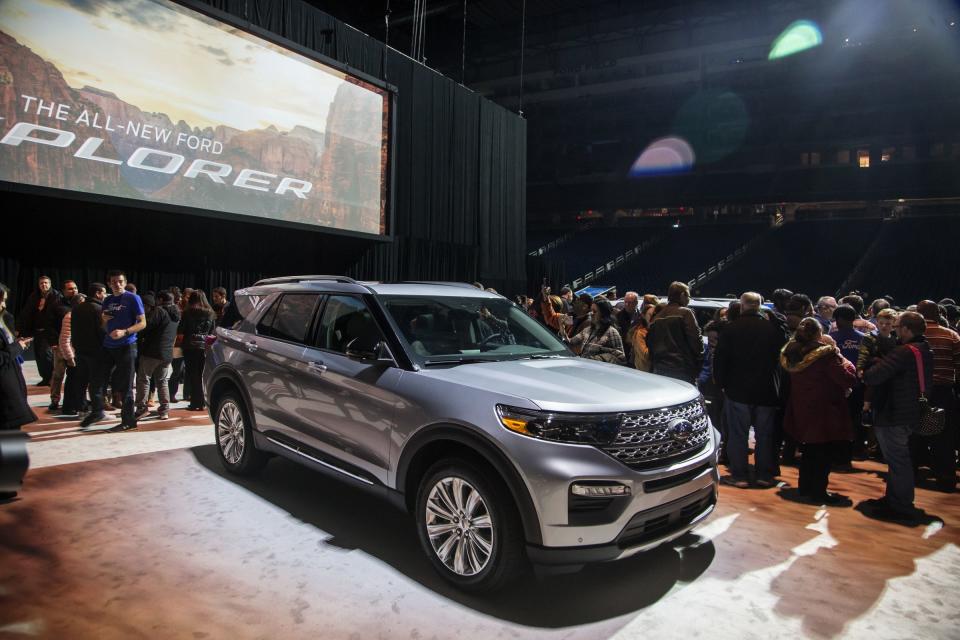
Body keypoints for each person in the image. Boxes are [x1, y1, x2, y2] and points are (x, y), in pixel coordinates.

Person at [861, 311, 933, 522]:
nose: (895, 329)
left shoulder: (904, 352)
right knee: (898, 459)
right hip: (910, 412)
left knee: (898, 460)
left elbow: (873, 376)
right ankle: (893, 499)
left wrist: (873, 362)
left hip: (894, 413)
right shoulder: (925, 349)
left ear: (907, 329)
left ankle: (900, 504)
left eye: (898, 326)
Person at [780, 318, 858, 505]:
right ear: (818, 334)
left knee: (809, 450)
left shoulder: (791, 352)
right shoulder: (826, 355)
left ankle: (805, 487)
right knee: (823, 453)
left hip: (802, 406)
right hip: (825, 409)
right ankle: (818, 491)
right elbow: (846, 379)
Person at [713, 292, 788, 488]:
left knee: (738, 435)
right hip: (766, 390)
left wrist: (720, 384)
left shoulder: (731, 329)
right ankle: (764, 475)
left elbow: (720, 359)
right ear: (760, 306)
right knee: (765, 435)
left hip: (738, 389)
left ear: (742, 305)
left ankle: (739, 476)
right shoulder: (772, 330)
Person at [80, 271, 146, 431]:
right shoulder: (108, 300)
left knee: (125, 385)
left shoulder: (132, 298)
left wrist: (125, 331)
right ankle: (97, 411)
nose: (117, 284)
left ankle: (128, 420)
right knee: (96, 380)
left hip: (126, 345)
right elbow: (104, 325)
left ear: (125, 282)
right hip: (108, 346)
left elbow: (143, 323)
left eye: (120, 281)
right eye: (114, 282)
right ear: (109, 283)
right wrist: (103, 320)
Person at [914, 300, 960, 492]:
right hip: (943, 391)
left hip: (917, 391)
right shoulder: (951, 335)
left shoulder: (915, 335)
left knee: (914, 433)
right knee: (944, 434)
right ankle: (945, 476)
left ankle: (913, 472)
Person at [0, 282, 36, 501]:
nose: (3, 304)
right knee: (10, 442)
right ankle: (6, 487)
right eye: (1, 299)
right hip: (4, 395)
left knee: (12, 440)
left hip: (10, 390)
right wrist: (17, 348)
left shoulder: (5, 319)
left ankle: (9, 483)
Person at [857, 308, 899, 449]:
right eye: (881, 322)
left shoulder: (896, 339)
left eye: (887, 323)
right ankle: (866, 409)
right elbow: (863, 354)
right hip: (875, 373)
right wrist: (860, 368)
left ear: (893, 323)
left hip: (891, 377)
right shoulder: (870, 337)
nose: (884, 326)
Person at [135, 292, 181, 420]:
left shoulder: (159, 311)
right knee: (162, 381)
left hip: (152, 351)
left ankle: (141, 408)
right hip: (166, 353)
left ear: (160, 299)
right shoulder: (176, 314)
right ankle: (164, 410)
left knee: (143, 379)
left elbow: (146, 327)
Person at [830, 304, 867, 463]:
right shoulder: (864, 338)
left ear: (838, 320)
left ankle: (836, 455)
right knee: (854, 420)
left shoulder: (832, 338)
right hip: (858, 386)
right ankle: (849, 455)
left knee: (836, 420)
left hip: (836, 386)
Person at [647, 281, 703, 383]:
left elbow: (650, 345)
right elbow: (695, 340)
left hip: (660, 369)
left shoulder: (655, 318)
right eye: (688, 297)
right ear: (682, 295)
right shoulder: (686, 313)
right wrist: (699, 361)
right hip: (681, 369)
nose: (688, 300)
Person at [16, 275, 62, 386]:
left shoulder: (56, 296)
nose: (44, 285)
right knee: (39, 356)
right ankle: (45, 378)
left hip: (50, 331)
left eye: (46, 283)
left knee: (47, 355)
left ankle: (52, 378)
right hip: (37, 330)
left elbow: (57, 314)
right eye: (41, 283)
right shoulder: (34, 296)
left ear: (50, 284)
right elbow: (26, 313)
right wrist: (20, 328)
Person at [70, 283, 107, 419]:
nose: (105, 295)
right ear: (97, 293)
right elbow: (102, 331)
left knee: (81, 381)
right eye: (104, 292)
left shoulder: (77, 308)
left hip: (80, 350)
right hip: (96, 352)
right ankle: (98, 411)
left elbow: (73, 330)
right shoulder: (99, 309)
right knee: (96, 382)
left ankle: (82, 410)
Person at [179, 291, 217, 411]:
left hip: (190, 346)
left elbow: (181, 329)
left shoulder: (187, 312)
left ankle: (196, 402)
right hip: (204, 346)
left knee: (192, 374)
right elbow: (212, 331)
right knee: (202, 374)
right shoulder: (211, 313)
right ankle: (204, 401)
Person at [47, 280, 82, 411]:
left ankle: (76, 401)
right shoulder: (56, 305)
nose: (74, 291)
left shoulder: (80, 304)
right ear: (63, 291)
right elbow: (49, 325)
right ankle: (54, 400)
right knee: (58, 375)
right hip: (60, 346)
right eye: (70, 289)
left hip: (76, 347)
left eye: (75, 288)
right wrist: (54, 342)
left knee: (76, 375)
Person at [568, 298, 625, 364]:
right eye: (591, 310)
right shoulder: (588, 330)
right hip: (586, 368)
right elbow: (571, 341)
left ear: (603, 314)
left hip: (601, 371)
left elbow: (620, 358)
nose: (591, 313)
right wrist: (562, 328)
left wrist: (597, 359)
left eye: (595, 311)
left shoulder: (611, 332)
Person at [616, 292, 640, 365]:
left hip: (637, 355)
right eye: (625, 302)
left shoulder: (642, 317)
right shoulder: (618, 316)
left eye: (630, 302)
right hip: (623, 354)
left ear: (636, 303)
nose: (626, 304)